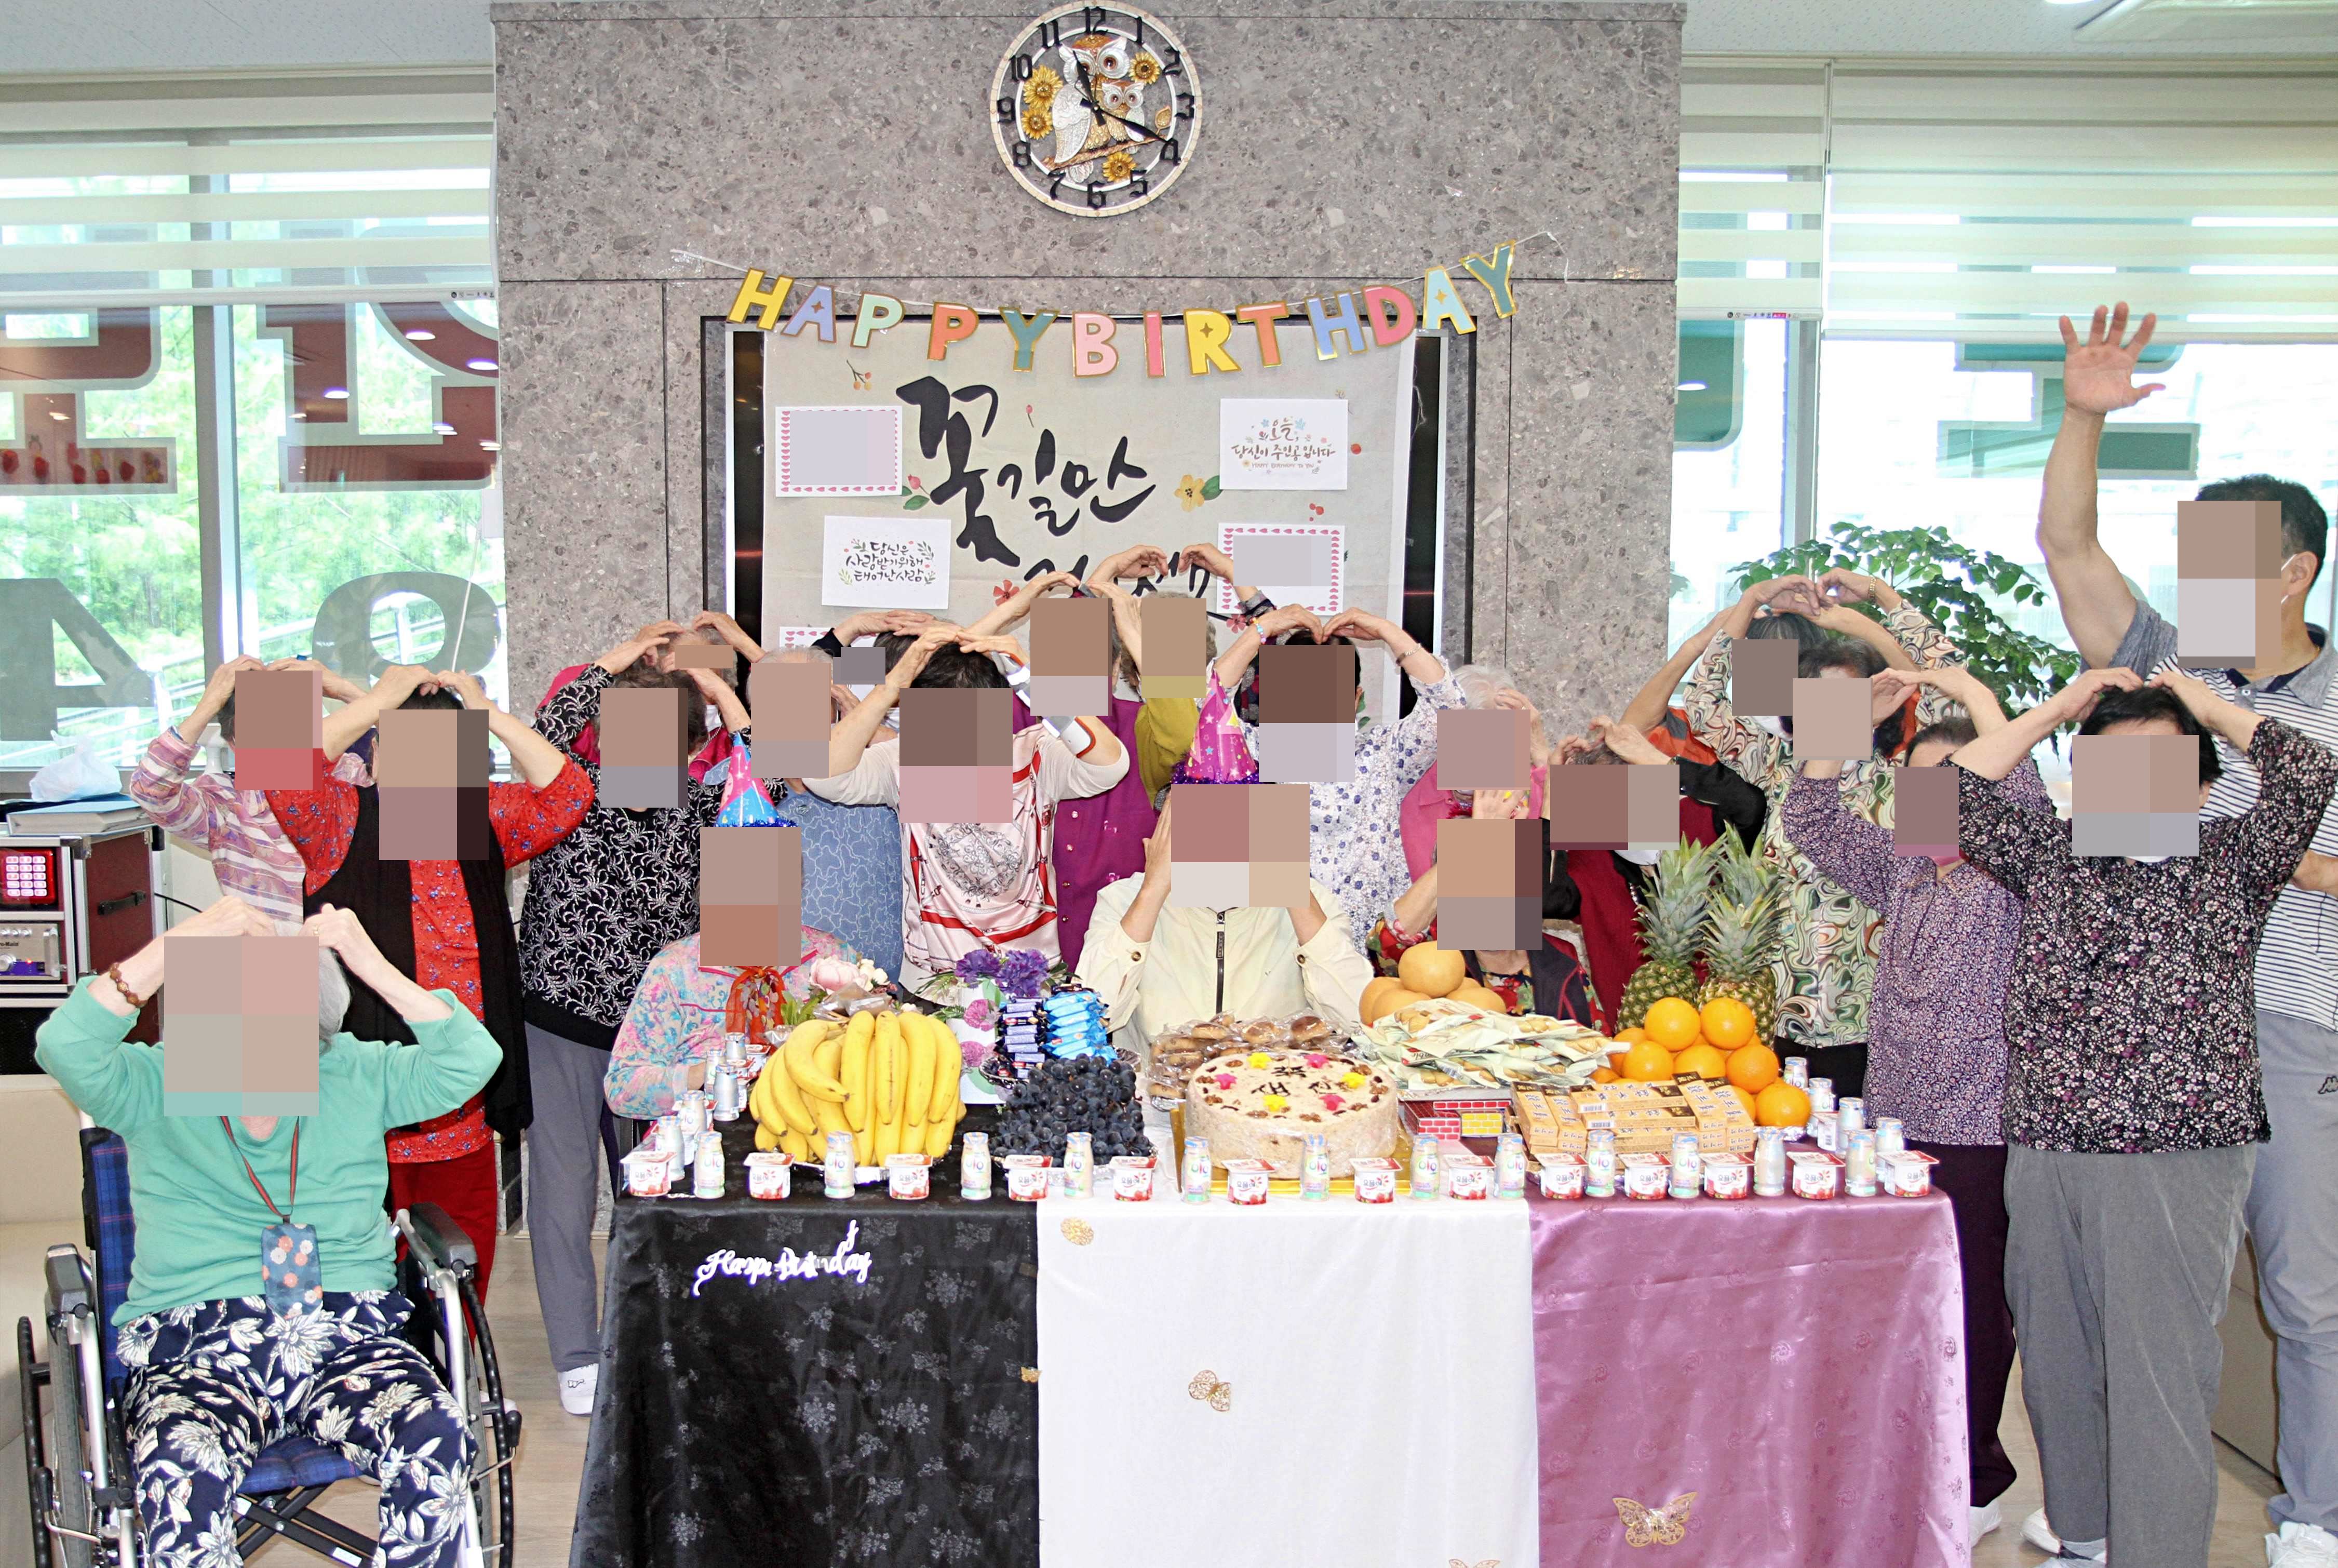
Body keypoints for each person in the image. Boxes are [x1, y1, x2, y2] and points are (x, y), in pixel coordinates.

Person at [2032, 301, 2338, 1568]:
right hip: (2146, 1037)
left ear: (2292, 572)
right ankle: (2110, 1517)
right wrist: (2083, 416)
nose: (2191, 575)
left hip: (2291, 1022)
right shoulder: (2169, 668)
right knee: (2131, 1296)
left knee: (2304, 1287)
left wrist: (2272, 862)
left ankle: (2313, 1517)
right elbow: (2067, 545)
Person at [1950, 664, 2336, 1568]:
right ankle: (2084, 1535)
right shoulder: (2052, 853)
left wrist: (2201, 704)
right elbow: (1944, 794)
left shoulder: (2231, 859)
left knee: (2155, 1371)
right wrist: (2059, 708)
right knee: (2055, 1358)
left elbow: (2309, 771)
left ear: (2199, 788)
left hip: (2177, 1150)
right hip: (2047, 1141)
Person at [35, 895, 496, 1568]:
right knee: (180, 1465)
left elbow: (471, 1060)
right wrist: (187, 940)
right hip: (196, 1351)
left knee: (435, 1432)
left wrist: (366, 959)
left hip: (347, 1339)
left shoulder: (356, 1072)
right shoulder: (155, 1081)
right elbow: (64, 1045)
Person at [1780, 665, 2032, 1548]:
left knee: (1973, 1306)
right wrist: (1846, 722)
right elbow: (1810, 818)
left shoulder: (2013, 876)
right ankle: (1905, 1456)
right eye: (1917, 782)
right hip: (1890, 1128)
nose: (1929, 798)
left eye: (1954, 783)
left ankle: (1976, 1476)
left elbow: (2024, 793)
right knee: (1900, 1300)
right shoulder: (1904, 871)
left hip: (1978, 1126)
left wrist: (1976, 694)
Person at [270, 665, 592, 1291]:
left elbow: (567, 793)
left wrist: (485, 711)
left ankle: (454, 1353)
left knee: (459, 1261)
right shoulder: (343, 819)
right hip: (356, 1098)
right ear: (375, 755)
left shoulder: (482, 816)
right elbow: (283, 769)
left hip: (454, 1092)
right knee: (356, 1270)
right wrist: (376, 700)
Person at [516, 624, 753, 1414]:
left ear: (689, 747)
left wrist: (714, 687)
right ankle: (577, 1356)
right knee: (563, 1192)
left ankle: (646, 1335)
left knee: (654, 1188)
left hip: (655, 1041)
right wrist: (615, 662)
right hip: (559, 1020)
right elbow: (544, 729)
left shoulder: (702, 805)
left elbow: (769, 784)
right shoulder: (571, 790)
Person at [1683, 570, 1967, 1095]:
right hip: (1767, 1018)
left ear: (1880, 703)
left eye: (1847, 698)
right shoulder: (1777, 767)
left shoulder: (1906, 784)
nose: (1832, 711)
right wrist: (1750, 601)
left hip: (1868, 1029)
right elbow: (1703, 704)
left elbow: (1954, 704)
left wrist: (1879, 609)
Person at [806, 622, 1128, 988]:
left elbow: (1110, 765)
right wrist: (891, 686)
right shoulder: (905, 759)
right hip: (933, 982)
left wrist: (1028, 673)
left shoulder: (1034, 753)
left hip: (1028, 980)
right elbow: (822, 775)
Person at [1213, 605, 1466, 953]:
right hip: (1282, 954)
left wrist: (1387, 631)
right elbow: (1205, 707)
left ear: (1355, 699)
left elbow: (1450, 709)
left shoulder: (1384, 752)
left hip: (1377, 955)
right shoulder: (1253, 753)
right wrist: (1263, 628)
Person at [1076, 793, 1375, 1060]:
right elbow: (1086, 1021)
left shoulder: (1310, 901)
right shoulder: (1125, 900)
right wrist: (1153, 892)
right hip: (1160, 1092)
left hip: (1279, 1090)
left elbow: (1358, 1021)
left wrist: (1292, 886)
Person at [1046, 544, 1220, 970]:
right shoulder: (1079, 717)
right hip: (1044, 945)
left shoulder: (1217, 734)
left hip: (1151, 946)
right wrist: (1099, 582)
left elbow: (1186, 738)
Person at [129, 654, 373, 927]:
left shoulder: (350, 775)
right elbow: (149, 789)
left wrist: (346, 691)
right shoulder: (224, 804)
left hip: (354, 947)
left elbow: (416, 796)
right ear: (235, 744)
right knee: (182, 951)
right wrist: (209, 703)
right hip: (267, 948)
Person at [1375, 778, 1596, 1026]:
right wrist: (1474, 841)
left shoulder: (1562, 957)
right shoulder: (1431, 955)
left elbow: (1598, 1042)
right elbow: (1386, 942)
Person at [754, 646, 906, 981]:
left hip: (888, 989)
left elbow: (973, 786)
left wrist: (873, 730)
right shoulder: (731, 787)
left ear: (835, 705)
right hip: (777, 994)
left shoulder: (881, 770)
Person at [602, 926, 865, 1119]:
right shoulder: (676, 967)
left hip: (817, 1124)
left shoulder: (834, 959)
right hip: (702, 1142)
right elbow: (622, 1089)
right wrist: (707, 1073)